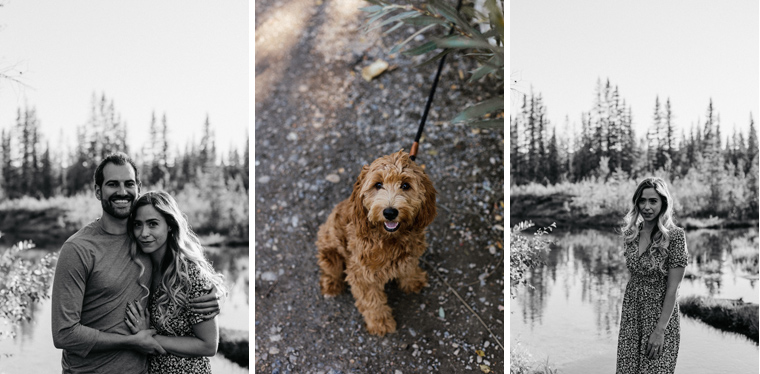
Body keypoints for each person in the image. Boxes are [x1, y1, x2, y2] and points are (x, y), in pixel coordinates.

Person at [51, 152, 219, 374]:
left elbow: (182, 273)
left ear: (138, 187)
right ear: (98, 191)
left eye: (128, 183)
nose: (122, 191)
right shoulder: (78, 249)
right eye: (112, 184)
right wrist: (132, 341)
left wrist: (210, 293)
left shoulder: (144, 240)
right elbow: (64, 334)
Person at [124, 190, 227, 373]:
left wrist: (147, 336)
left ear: (170, 225)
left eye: (153, 224)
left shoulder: (190, 275)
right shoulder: (140, 268)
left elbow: (209, 345)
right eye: (137, 225)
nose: (143, 233)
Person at [616, 177, 688, 373]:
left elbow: (673, 289)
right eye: (642, 200)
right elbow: (634, 276)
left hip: (659, 318)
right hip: (632, 316)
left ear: (663, 203)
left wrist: (660, 330)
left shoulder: (675, 236)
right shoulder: (631, 234)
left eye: (653, 201)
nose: (647, 206)